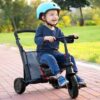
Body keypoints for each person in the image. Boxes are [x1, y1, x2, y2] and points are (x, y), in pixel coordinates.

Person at [35, 2, 86, 87]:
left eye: (56, 14)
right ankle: (58, 77)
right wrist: (45, 38)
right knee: (50, 57)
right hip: (43, 55)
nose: (55, 17)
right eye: (51, 14)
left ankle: (74, 75)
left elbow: (63, 39)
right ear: (43, 17)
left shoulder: (57, 30)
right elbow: (37, 40)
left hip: (56, 53)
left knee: (69, 57)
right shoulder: (41, 29)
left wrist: (71, 37)